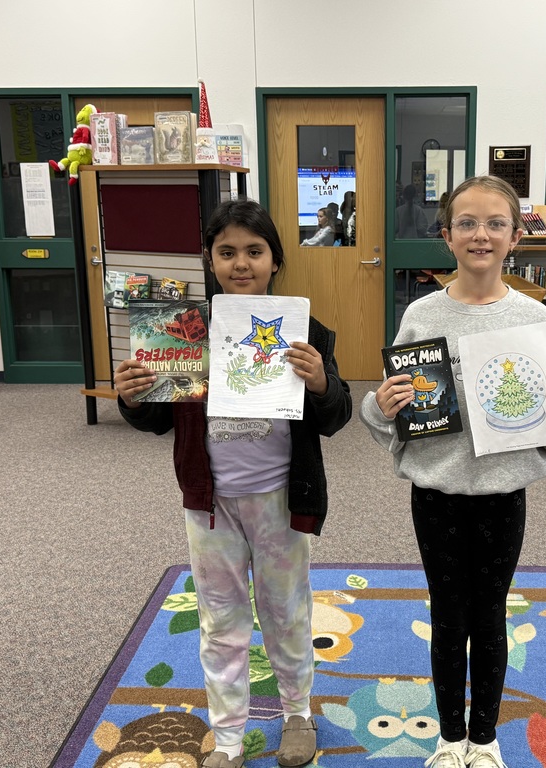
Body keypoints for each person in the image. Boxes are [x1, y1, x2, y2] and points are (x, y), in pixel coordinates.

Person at [114, 199, 353, 768]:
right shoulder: (187, 330)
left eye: (254, 251)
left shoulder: (306, 329)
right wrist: (132, 396)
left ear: (274, 260)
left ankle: (297, 713)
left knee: (287, 610)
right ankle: (226, 736)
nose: (240, 263)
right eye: (226, 252)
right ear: (209, 260)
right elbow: (157, 417)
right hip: (211, 503)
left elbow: (335, 416)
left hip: (280, 500)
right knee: (221, 620)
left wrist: (321, 383)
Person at [359, 175, 546, 768]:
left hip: (502, 495)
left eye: (494, 224)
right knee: (446, 614)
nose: (480, 234)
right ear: (446, 236)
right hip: (437, 493)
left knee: (489, 615)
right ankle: (449, 736)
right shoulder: (421, 313)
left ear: (515, 237)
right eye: (467, 223)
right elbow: (393, 409)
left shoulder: (536, 319)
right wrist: (381, 407)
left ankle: (484, 740)